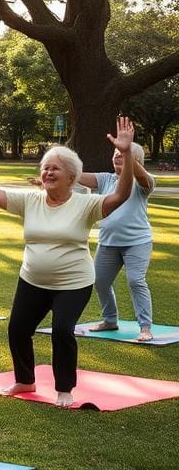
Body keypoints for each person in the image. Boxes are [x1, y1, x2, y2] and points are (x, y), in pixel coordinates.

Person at [0, 118, 136, 408]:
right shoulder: (31, 201)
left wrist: (128, 155)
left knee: (62, 330)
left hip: (74, 283)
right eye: (45, 167)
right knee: (18, 328)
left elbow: (121, 194)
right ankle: (25, 380)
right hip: (32, 279)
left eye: (55, 168)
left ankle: (64, 388)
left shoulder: (86, 204)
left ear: (71, 176)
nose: (47, 172)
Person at [79, 142, 156, 341]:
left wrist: (126, 151)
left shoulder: (143, 182)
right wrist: (57, 167)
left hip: (137, 242)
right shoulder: (106, 179)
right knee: (101, 281)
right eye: (115, 154)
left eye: (122, 155)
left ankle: (145, 327)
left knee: (136, 280)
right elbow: (76, 176)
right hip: (108, 243)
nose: (116, 157)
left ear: (135, 160)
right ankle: (110, 320)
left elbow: (143, 177)